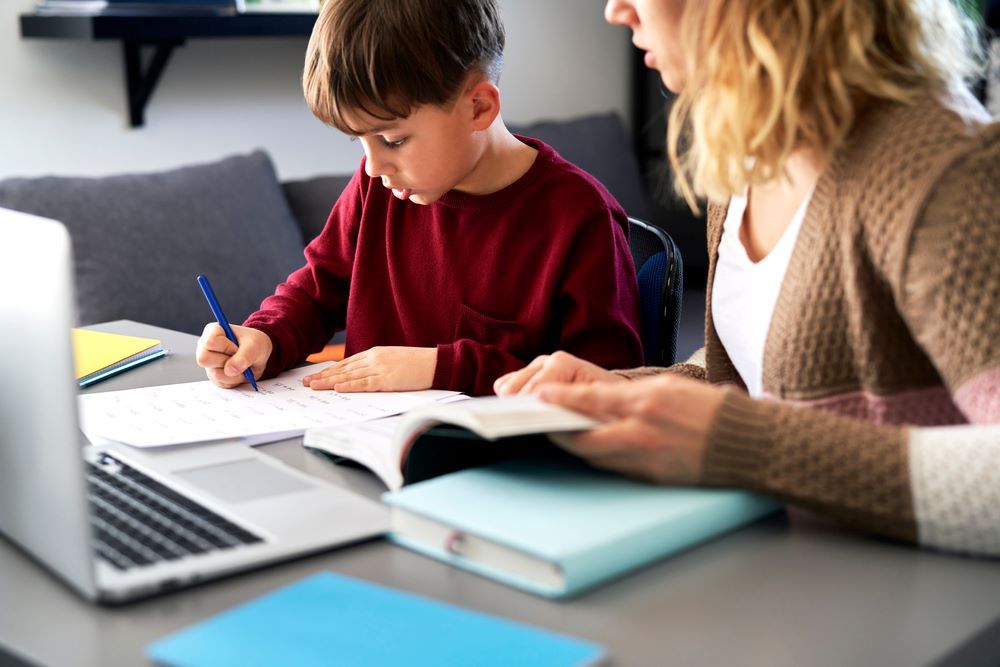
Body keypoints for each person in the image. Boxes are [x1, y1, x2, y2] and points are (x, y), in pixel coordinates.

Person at [497, 0, 1000, 556]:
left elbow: (756, 432)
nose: (617, 11)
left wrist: (741, 445)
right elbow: (747, 381)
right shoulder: (746, 159)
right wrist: (629, 394)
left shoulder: (944, 171)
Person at [196, 0, 643, 397]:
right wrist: (264, 338)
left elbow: (606, 383)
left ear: (478, 108)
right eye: (359, 142)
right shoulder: (379, 187)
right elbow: (316, 292)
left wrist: (439, 367)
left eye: (393, 140)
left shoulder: (580, 219)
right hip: (363, 449)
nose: (373, 167)